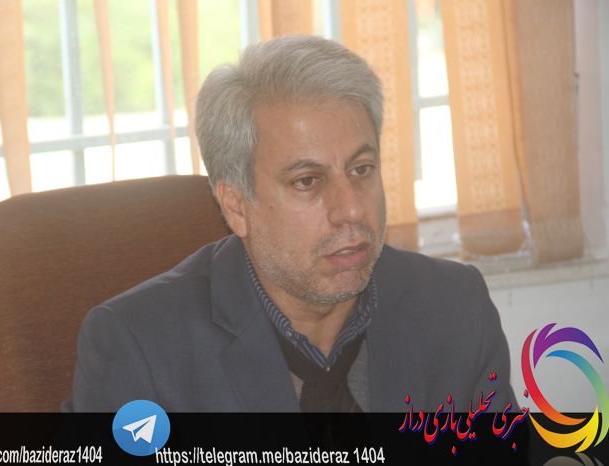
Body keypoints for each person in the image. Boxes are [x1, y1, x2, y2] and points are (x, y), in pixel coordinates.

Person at [63, 35, 517, 413]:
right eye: (307, 181)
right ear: (236, 206)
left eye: (361, 169)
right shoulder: (140, 346)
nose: (351, 210)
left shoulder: (454, 306)